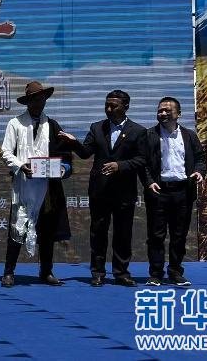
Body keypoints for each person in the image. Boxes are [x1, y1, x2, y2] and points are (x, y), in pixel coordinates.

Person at [0, 81, 83, 287]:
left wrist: (63, 168)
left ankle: (46, 271)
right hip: (24, 184)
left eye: (41, 99)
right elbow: (6, 152)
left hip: (48, 188)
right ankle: (9, 272)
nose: (39, 103)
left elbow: (65, 157)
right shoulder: (15, 123)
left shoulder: (53, 126)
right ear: (27, 102)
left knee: (47, 230)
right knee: (18, 227)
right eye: (34, 99)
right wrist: (21, 165)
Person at [74, 90, 145, 287]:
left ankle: (121, 273)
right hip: (100, 190)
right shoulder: (97, 127)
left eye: (113, 106)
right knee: (98, 232)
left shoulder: (138, 131)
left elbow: (142, 159)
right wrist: (73, 143)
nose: (108, 109)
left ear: (126, 107)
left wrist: (119, 166)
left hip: (124, 191)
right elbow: (85, 152)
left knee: (123, 233)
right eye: (106, 105)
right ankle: (97, 272)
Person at [136, 97, 207, 287]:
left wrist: (199, 171)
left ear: (178, 114)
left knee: (179, 235)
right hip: (159, 191)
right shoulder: (149, 135)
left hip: (183, 191)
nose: (163, 113)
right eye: (160, 110)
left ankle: (175, 272)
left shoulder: (189, 135)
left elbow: (200, 158)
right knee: (156, 235)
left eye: (167, 110)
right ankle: (155, 274)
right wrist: (149, 182)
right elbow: (142, 163)